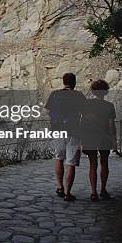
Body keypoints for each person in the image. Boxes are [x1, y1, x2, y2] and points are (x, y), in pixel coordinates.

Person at [45, 73, 86, 201]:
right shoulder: (79, 96)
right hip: (74, 131)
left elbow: (48, 112)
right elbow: (85, 114)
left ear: (63, 82)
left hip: (58, 131)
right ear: (74, 82)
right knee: (71, 162)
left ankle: (60, 186)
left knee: (59, 158)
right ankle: (68, 193)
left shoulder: (55, 94)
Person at [81, 80, 117, 201]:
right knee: (104, 163)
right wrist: (114, 140)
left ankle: (93, 192)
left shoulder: (86, 104)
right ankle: (103, 190)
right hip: (104, 136)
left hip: (90, 136)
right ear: (105, 91)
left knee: (92, 164)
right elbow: (111, 125)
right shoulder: (109, 106)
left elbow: (83, 121)